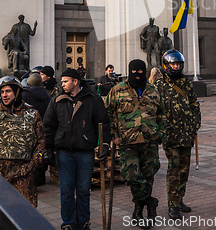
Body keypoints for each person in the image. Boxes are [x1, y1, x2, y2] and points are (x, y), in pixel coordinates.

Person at [43, 68, 111, 230]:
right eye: (62, 81)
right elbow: (48, 126)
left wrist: (105, 144)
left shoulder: (93, 100)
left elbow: (103, 124)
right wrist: (48, 148)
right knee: (66, 191)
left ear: (75, 81)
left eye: (65, 81)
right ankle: (68, 223)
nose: (62, 84)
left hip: (85, 152)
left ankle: (83, 222)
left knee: (83, 190)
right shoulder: (57, 100)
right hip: (64, 152)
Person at [105, 59, 165, 228]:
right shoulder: (117, 90)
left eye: (141, 72)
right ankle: (150, 201)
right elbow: (107, 114)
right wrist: (113, 135)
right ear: (129, 71)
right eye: (134, 72)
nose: (137, 75)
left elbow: (162, 115)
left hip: (149, 141)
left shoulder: (153, 91)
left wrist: (160, 133)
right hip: (127, 142)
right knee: (131, 176)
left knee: (148, 176)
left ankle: (139, 210)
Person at [155, 49, 201, 220]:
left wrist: (195, 125)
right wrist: (161, 130)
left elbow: (194, 104)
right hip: (171, 136)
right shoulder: (159, 86)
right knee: (174, 171)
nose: (176, 66)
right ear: (166, 65)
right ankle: (172, 205)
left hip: (186, 135)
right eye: (173, 64)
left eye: (178, 64)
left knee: (184, 170)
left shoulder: (186, 84)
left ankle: (179, 199)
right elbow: (155, 110)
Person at [0, 76, 45, 207]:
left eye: (8, 91)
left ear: (17, 92)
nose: (4, 95)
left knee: (24, 212)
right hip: (1, 173)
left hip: (24, 174)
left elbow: (41, 142)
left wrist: (34, 162)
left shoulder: (32, 114)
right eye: (2, 92)